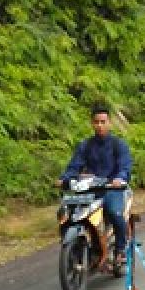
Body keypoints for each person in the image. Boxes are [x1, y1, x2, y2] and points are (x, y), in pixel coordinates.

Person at [57, 104, 133, 263]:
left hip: (112, 189)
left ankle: (120, 249)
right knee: (66, 213)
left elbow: (124, 167)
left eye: (103, 122)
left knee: (114, 212)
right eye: (96, 122)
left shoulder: (118, 145)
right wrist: (65, 179)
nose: (99, 125)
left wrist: (119, 179)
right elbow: (74, 166)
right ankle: (78, 246)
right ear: (92, 123)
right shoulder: (85, 145)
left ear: (109, 123)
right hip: (90, 190)